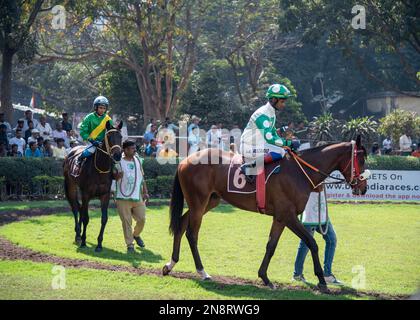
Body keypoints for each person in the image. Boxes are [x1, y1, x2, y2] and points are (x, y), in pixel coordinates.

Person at [240, 83, 297, 181]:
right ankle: (250, 167)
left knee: (283, 149)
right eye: (282, 101)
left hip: (258, 145)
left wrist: (285, 144)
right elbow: (270, 138)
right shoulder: (262, 114)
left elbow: (274, 133)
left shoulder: (271, 113)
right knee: (280, 151)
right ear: (274, 100)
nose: (284, 105)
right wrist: (288, 143)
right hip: (249, 147)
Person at [292, 184, 342, 286]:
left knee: (332, 240)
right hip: (310, 213)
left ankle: (327, 275)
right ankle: (297, 274)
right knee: (305, 244)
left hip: (322, 213)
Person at [112, 140, 149, 253]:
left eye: (134, 148)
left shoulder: (137, 160)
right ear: (125, 150)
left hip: (137, 195)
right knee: (127, 222)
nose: (134, 150)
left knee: (142, 219)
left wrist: (145, 191)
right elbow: (112, 177)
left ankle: (136, 235)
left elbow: (142, 177)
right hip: (121, 197)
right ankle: (130, 245)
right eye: (132, 149)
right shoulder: (117, 162)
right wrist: (117, 176)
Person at [78, 96, 113, 163]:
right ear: (95, 107)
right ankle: (79, 161)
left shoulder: (108, 119)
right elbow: (83, 131)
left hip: (103, 143)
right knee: (89, 151)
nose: (102, 110)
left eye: (104, 108)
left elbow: (111, 132)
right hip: (91, 142)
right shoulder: (89, 117)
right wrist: (92, 141)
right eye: (100, 108)